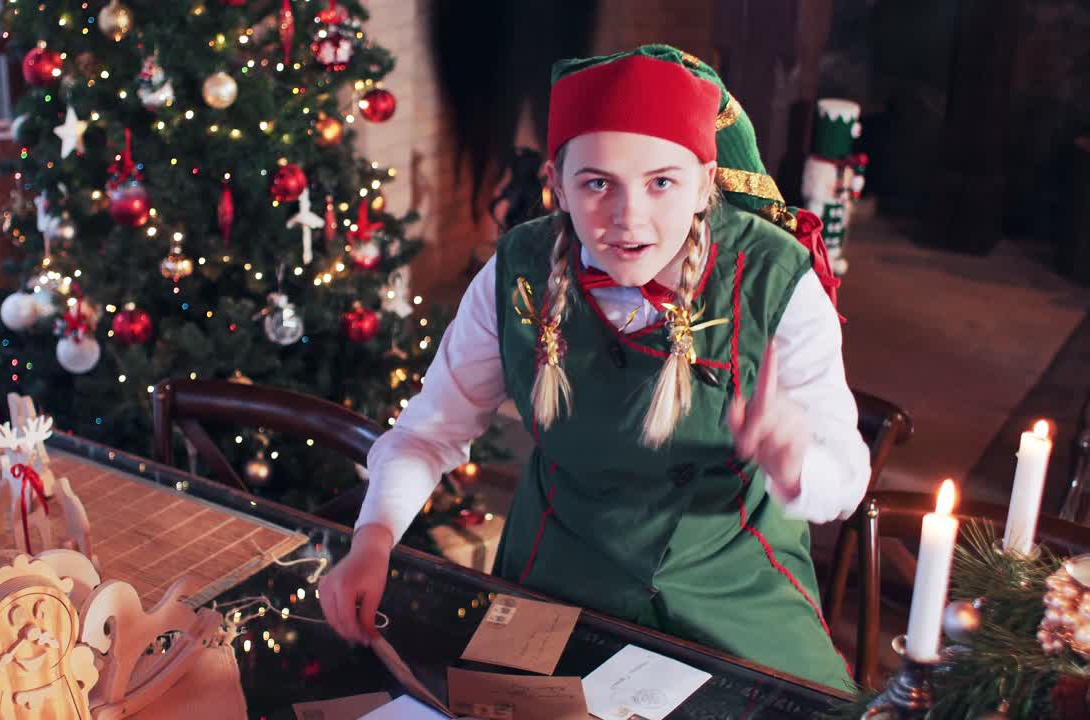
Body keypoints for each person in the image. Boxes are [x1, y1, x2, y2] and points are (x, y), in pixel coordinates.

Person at [319, 44, 868, 692]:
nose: (628, 217)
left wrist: (794, 460)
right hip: (555, 588)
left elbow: (847, 477)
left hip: (736, 601)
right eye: (597, 183)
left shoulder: (777, 280)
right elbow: (428, 431)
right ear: (556, 182)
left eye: (661, 182)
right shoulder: (519, 271)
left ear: (704, 181)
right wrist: (374, 538)